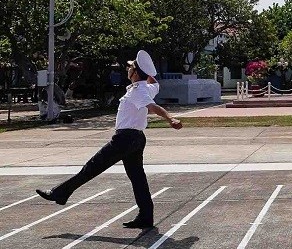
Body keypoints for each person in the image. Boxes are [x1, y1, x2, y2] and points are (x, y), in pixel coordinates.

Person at [35, 50, 182, 229]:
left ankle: (59, 193)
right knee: (137, 178)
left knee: (92, 167)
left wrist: (170, 118)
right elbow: (154, 83)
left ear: (135, 73)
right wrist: (147, 72)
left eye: (131, 67)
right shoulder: (146, 88)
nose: (128, 69)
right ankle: (146, 216)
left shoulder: (138, 91)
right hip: (135, 138)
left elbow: (153, 107)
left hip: (125, 139)